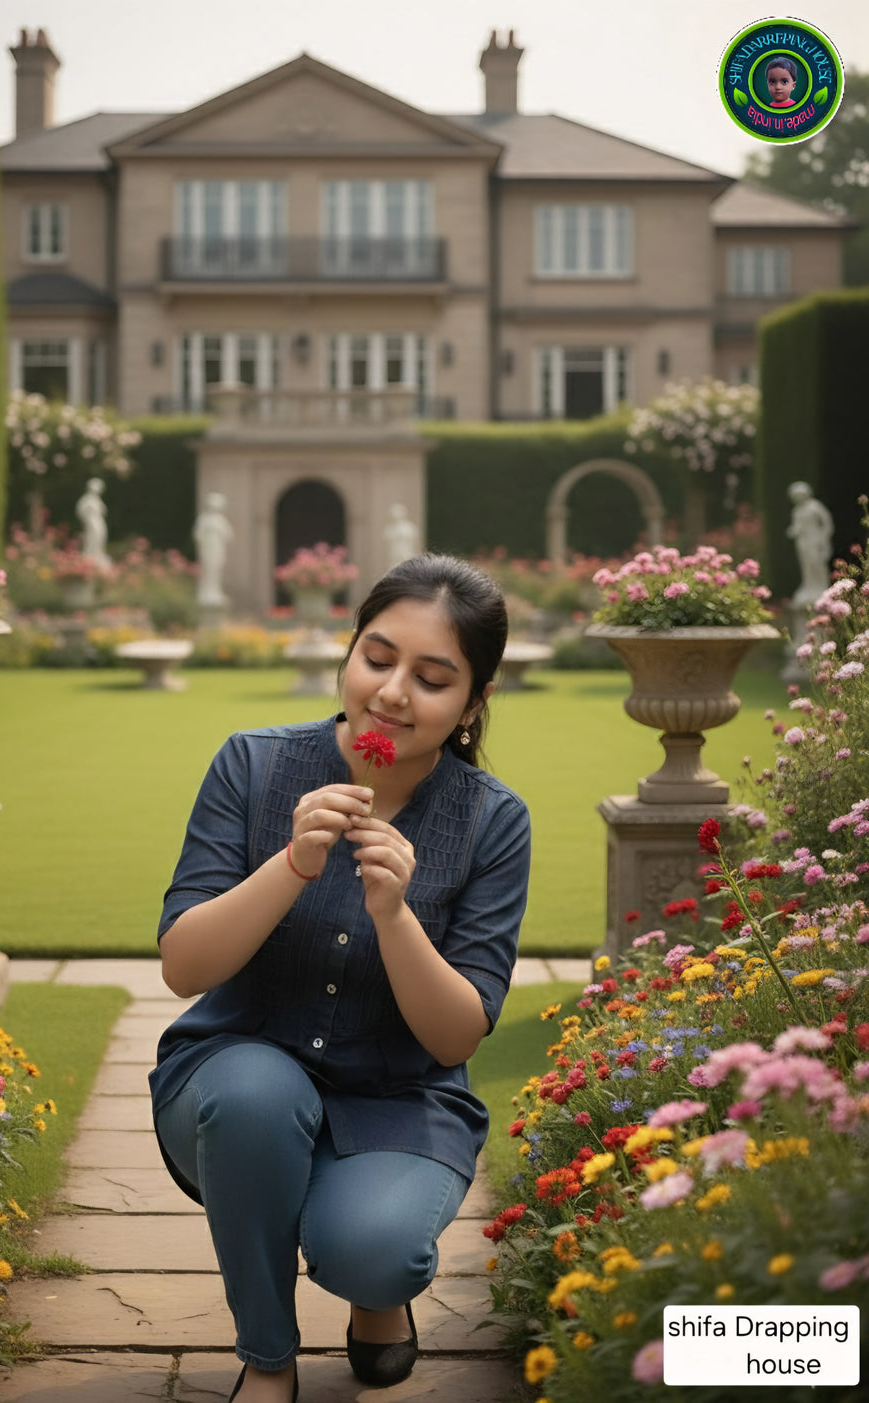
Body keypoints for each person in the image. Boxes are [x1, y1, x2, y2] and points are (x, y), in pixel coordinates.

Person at [149, 554, 531, 1403]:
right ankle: (268, 1353)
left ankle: (376, 1291)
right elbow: (184, 966)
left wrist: (395, 914)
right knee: (255, 1092)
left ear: (471, 705)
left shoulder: (492, 820)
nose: (393, 693)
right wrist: (291, 862)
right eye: (377, 656)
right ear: (348, 651)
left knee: (376, 1247)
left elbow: (455, 1033)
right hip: (232, 1080)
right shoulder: (251, 766)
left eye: (432, 679)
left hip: (400, 1095)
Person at [787, 480, 834, 606]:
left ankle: (822, 588)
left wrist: (823, 538)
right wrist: (793, 531)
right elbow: (797, 526)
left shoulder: (815, 506)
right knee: (806, 564)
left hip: (815, 538)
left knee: (817, 563)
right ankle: (809, 587)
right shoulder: (797, 510)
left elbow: (827, 523)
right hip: (802, 541)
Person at [194, 490, 234, 607]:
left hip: (218, 549)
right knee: (208, 569)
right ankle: (207, 593)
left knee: (217, 569)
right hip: (208, 549)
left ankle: (215, 591)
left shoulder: (220, 520)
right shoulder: (205, 519)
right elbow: (198, 535)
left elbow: (229, 535)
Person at [75, 477, 110, 567]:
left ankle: (98, 554)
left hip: (99, 522)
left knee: (100, 537)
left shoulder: (97, 500)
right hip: (91, 522)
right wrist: (86, 520)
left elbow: (104, 511)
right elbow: (80, 512)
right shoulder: (86, 499)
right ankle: (90, 556)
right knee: (92, 539)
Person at [383, 502, 419, 569]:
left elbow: (414, 539)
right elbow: (386, 538)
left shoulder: (409, 527)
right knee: (393, 567)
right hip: (394, 553)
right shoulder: (390, 528)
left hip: (406, 552)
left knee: (406, 567)